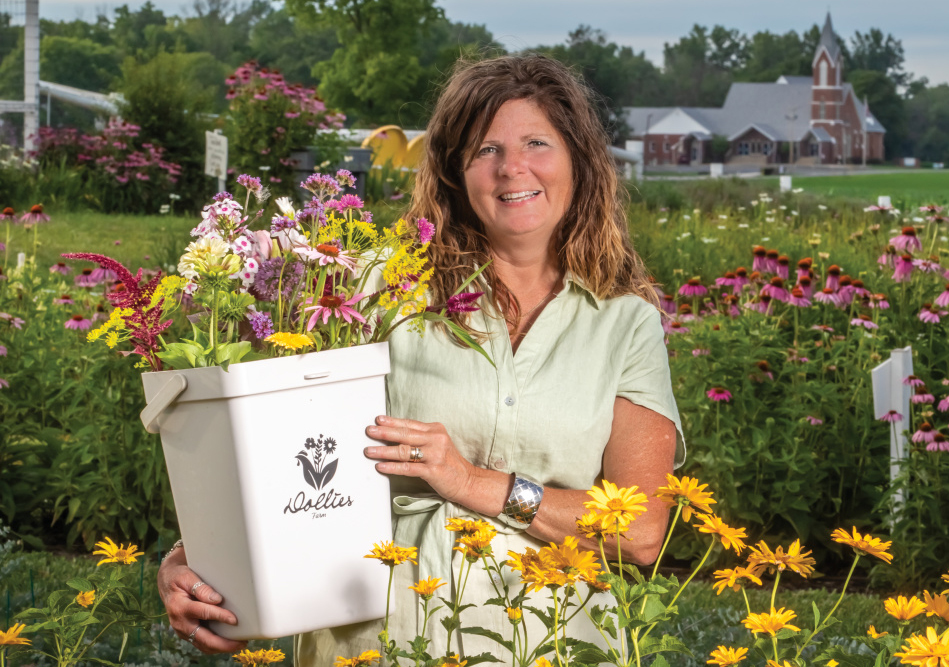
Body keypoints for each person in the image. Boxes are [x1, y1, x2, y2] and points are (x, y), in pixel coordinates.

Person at [156, 54, 685, 664]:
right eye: (485, 149)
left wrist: (472, 482)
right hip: (378, 637)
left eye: (537, 143)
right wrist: (189, 561)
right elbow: (277, 450)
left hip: (552, 642)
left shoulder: (625, 324)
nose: (512, 168)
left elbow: (639, 532)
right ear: (455, 171)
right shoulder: (377, 289)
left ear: (579, 160)